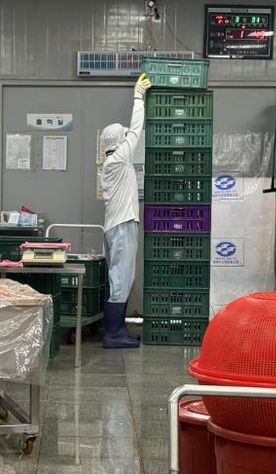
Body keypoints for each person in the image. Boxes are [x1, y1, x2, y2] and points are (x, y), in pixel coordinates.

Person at [99, 73, 152, 349]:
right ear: (119, 141)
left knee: (122, 277)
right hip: (122, 226)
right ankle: (113, 334)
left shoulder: (112, 162)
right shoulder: (119, 159)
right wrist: (138, 97)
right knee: (121, 278)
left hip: (119, 225)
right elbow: (137, 129)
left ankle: (119, 329)